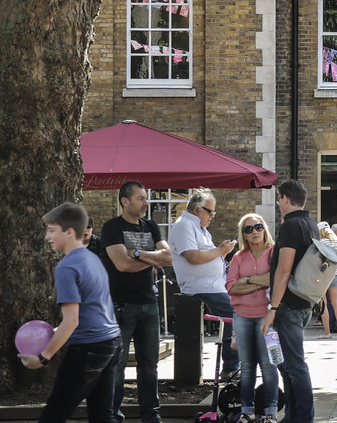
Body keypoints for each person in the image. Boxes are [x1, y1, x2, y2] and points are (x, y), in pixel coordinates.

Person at [21, 203, 122, 423]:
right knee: (102, 415)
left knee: (55, 413)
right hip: (111, 343)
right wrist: (50, 333)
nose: (47, 236)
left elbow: (71, 321)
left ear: (69, 232)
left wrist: (42, 358)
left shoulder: (67, 267)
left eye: (51, 230)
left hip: (90, 348)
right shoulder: (92, 259)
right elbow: (89, 313)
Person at [100, 180, 172, 423]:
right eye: (140, 198)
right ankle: (112, 416)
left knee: (150, 365)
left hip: (149, 304)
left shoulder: (151, 226)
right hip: (121, 306)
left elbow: (168, 256)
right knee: (117, 365)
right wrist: (153, 259)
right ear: (125, 201)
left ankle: (151, 416)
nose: (146, 203)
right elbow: (122, 264)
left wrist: (139, 254)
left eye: (145, 197)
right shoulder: (112, 228)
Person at [168, 188, 240, 380]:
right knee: (236, 314)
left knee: (241, 311)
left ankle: (234, 365)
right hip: (200, 287)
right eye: (210, 211)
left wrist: (222, 253)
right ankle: (232, 366)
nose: (213, 216)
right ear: (198, 209)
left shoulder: (199, 228)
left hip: (213, 285)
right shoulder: (184, 225)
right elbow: (192, 257)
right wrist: (219, 251)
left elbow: (206, 256)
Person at [261, 179, 317, 423]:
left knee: (294, 365)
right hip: (303, 301)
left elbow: (284, 270)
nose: (278, 203)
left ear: (284, 198)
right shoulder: (311, 225)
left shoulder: (290, 226)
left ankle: (303, 418)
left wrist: (272, 308)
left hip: (288, 305)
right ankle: (293, 416)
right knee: (286, 365)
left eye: (278, 199)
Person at [226, 213, 278, 423]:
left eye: (258, 227)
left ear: (264, 228)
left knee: (269, 365)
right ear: (244, 235)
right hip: (242, 317)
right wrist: (261, 281)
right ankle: (247, 410)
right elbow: (231, 287)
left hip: (268, 317)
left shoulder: (274, 253)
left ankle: (271, 411)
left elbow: (276, 278)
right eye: (249, 229)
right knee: (247, 367)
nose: (254, 232)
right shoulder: (238, 257)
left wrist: (247, 280)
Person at [315, 222, 337, 340]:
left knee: (323, 303)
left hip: (323, 275)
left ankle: (327, 332)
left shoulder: (320, 242)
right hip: (335, 275)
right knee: (336, 303)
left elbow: (316, 260)